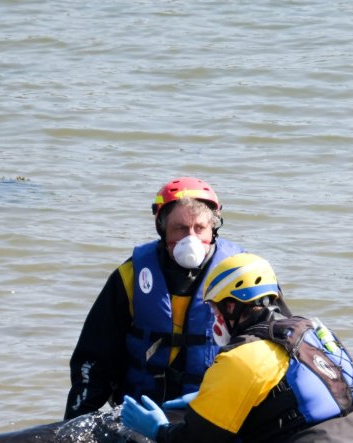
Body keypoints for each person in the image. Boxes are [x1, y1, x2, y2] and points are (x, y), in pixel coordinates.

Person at [119, 253, 353, 443]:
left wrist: (158, 430)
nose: (214, 319)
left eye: (214, 309)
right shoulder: (313, 331)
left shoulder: (241, 356)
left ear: (231, 306)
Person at [65, 177, 286, 420]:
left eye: (199, 228)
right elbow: (94, 360)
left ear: (213, 229)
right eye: (180, 228)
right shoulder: (130, 277)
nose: (190, 238)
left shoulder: (247, 276)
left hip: (216, 414)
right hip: (140, 414)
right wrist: (76, 422)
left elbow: (275, 350)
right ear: (162, 228)